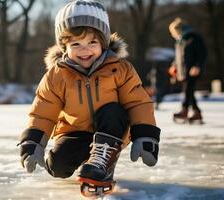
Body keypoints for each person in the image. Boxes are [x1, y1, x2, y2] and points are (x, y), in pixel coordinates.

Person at [18, 0, 161, 195]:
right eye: (76, 44)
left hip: (113, 128)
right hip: (75, 131)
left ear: (103, 42)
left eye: (92, 42)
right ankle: (92, 158)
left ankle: (105, 155)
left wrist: (145, 134)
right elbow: (44, 110)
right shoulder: (57, 75)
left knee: (113, 110)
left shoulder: (119, 69)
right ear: (64, 46)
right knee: (57, 166)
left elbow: (138, 102)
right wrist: (33, 141)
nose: (84, 50)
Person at [168, 17, 207, 123]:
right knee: (189, 91)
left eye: (173, 32)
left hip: (192, 69)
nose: (173, 35)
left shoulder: (193, 37)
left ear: (178, 30)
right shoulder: (180, 40)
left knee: (188, 89)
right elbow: (178, 57)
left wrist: (198, 66)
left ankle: (184, 110)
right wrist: (174, 66)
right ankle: (196, 112)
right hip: (184, 70)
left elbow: (202, 53)